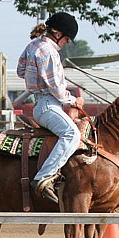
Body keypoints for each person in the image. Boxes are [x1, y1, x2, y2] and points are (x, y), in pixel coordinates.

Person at [16, 11, 85, 204]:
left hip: (40, 102)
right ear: (57, 33)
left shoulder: (33, 45)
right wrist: (73, 101)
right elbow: (56, 89)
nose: (66, 43)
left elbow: (21, 71)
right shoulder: (48, 51)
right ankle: (43, 177)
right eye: (67, 39)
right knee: (72, 135)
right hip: (48, 104)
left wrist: (37, 76)